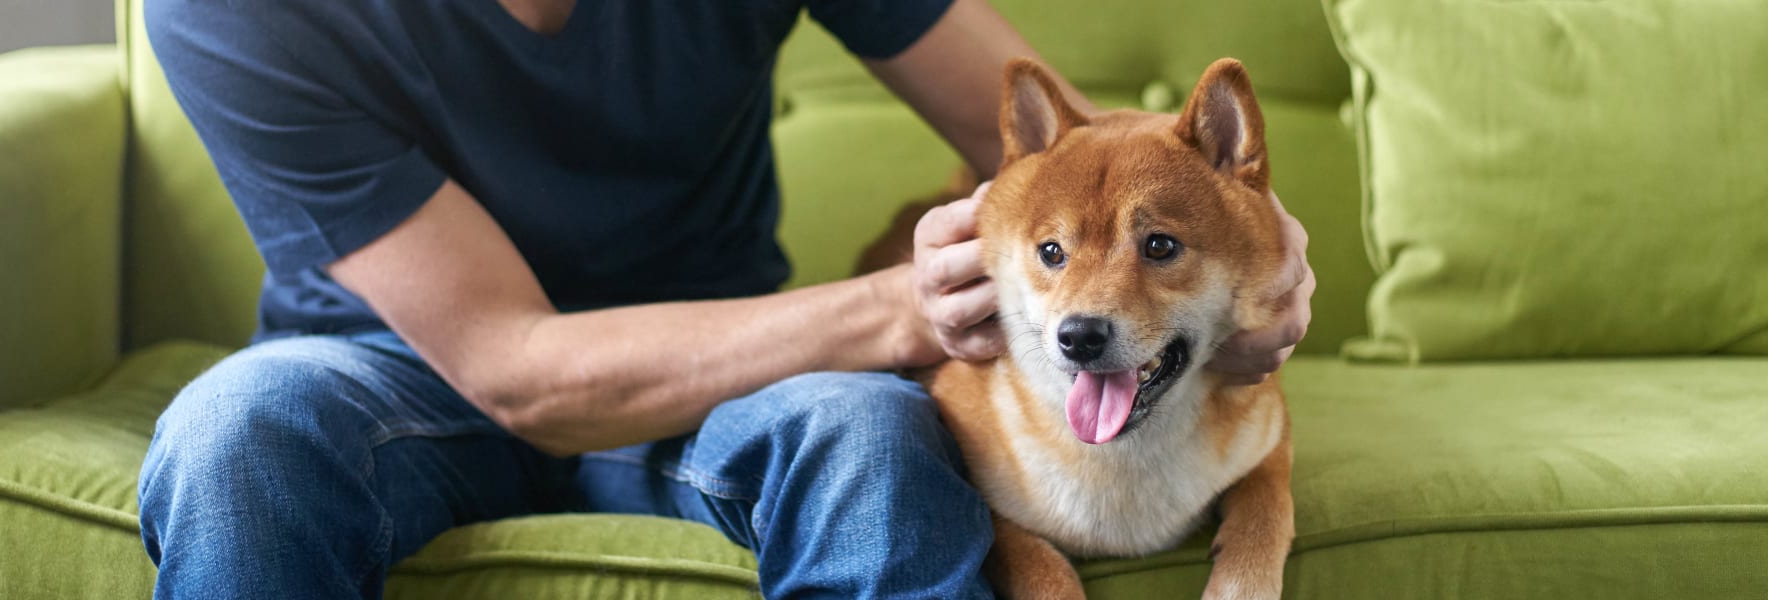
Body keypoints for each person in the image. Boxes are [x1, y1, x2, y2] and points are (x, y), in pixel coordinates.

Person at [134, 0, 1316, 597]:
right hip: (391, 375)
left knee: (870, 434)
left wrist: (1253, 236)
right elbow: (519, 367)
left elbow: (1085, 153)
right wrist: (896, 311)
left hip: (729, 362)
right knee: (236, 436)